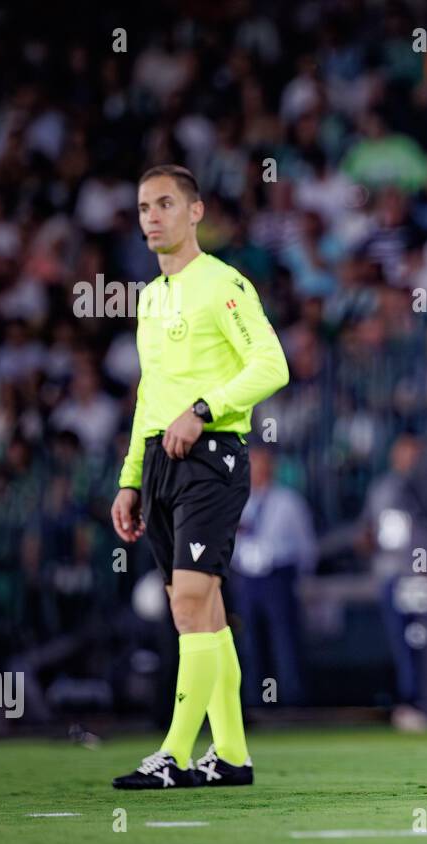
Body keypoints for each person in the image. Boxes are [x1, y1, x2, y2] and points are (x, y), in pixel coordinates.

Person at [109, 165, 290, 789]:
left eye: (164, 203)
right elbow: (148, 395)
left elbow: (272, 364)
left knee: (187, 601)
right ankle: (233, 755)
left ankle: (175, 753)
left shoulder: (223, 283)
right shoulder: (150, 297)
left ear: (195, 212)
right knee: (203, 609)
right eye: (142, 207)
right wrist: (131, 477)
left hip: (213, 456)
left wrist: (205, 409)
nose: (151, 216)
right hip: (161, 460)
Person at [230, 447, 317, 707]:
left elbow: (305, 545)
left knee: (284, 641)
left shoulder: (288, 501)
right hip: (246, 577)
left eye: (264, 463)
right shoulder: (238, 500)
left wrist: (300, 577)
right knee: (249, 641)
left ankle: (291, 700)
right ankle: (253, 701)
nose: (259, 469)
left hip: (278, 575)